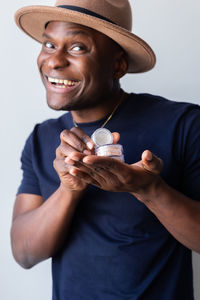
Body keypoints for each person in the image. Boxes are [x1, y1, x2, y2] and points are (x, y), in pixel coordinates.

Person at [11, 1, 200, 299]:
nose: (54, 61)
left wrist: (149, 190)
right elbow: (23, 253)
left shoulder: (183, 124)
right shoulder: (41, 137)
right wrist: (69, 189)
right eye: (49, 44)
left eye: (77, 48)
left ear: (118, 65)